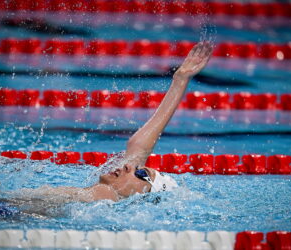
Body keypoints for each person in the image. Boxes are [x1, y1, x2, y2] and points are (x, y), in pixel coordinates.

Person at [32, 41, 213, 202]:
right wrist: (180, 79)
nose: (128, 166)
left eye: (141, 173)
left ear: (143, 194)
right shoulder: (108, 196)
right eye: (139, 168)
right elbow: (139, 145)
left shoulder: (107, 195)